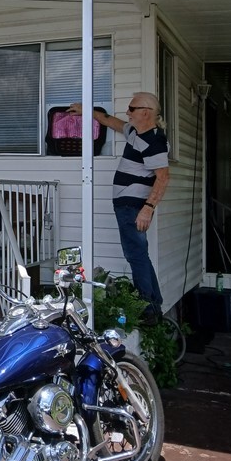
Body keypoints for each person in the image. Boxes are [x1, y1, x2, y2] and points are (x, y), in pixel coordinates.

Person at [67, 93, 170, 324]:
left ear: (146, 112)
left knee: (135, 255)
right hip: (127, 206)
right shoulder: (136, 133)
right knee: (139, 254)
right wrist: (87, 111)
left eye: (132, 108)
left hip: (134, 207)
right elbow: (110, 121)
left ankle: (147, 310)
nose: (128, 112)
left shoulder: (154, 141)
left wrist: (148, 208)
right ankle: (154, 303)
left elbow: (163, 177)